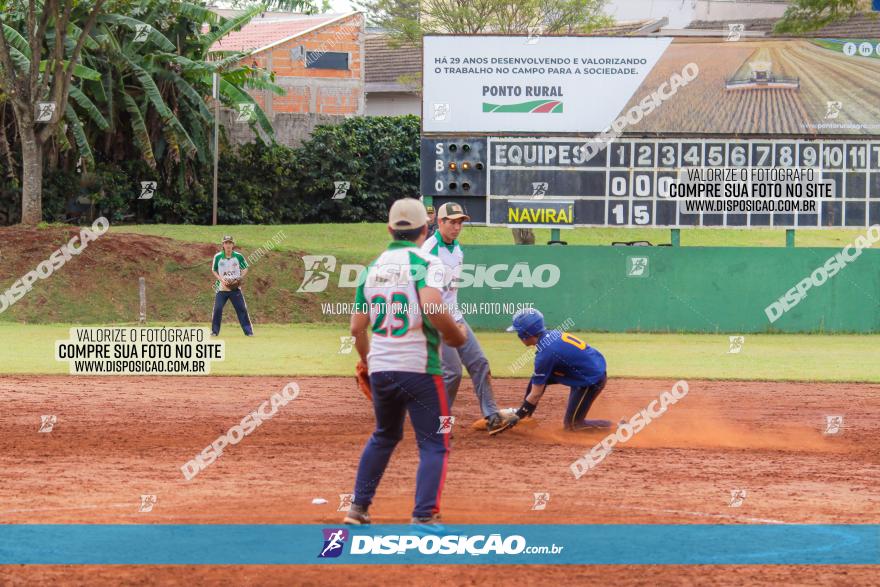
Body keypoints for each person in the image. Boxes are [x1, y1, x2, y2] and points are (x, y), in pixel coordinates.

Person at [344, 198, 467, 526]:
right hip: (420, 369)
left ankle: (357, 509)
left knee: (384, 435)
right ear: (425, 229)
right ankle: (423, 516)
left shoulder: (372, 269)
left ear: (389, 229)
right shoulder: (426, 263)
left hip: (383, 369)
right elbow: (432, 306)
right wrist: (456, 337)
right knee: (435, 443)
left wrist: (367, 361)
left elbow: (357, 328)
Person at [422, 202, 519, 435]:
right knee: (453, 372)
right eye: (452, 222)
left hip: (455, 317)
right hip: (437, 321)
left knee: (480, 363)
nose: (457, 227)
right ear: (440, 222)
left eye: (460, 222)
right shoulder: (429, 251)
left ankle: (492, 415)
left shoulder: (457, 248)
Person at [507, 308, 612, 431]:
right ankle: (527, 416)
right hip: (588, 367)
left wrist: (518, 416)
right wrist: (523, 414)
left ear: (525, 334)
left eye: (518, 332)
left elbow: (536, 394)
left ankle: (619, 427)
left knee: (573, 425)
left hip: (591, 379)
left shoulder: (545, 355)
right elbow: (537, 384)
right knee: (537, 379)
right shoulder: (549, 336)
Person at [210, 235, 254, 336]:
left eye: (230, 243)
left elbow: (245, 268)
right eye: (226, 243)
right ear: (223, 245)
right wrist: (221, 280)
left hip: (235, 289)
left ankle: (248, 332)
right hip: (222, 289)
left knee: (242, 309)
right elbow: (214, 270)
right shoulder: (218, 257)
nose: (228, 245)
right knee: (217, 309)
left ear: (233, 245)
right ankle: (214, 332)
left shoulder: (238, 256)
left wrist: (239, 278)